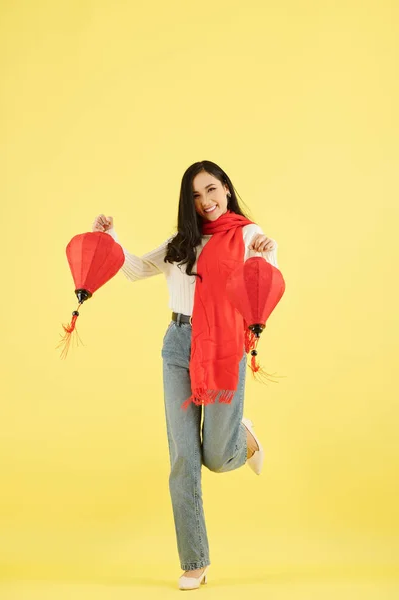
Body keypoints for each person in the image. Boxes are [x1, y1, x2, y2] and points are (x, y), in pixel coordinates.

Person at [92, 160, 279, 590]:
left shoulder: (249, 235)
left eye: (212, 190)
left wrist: (266, 255)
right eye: (196, 196)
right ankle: (194, 560)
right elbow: (137, 268)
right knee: (182, 456)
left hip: (223, 345)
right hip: (178, 344)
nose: (206, 202)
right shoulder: (181, 242)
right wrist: (109, 238)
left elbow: (265, 284)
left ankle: (243, 440)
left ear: (227, 190)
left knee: (216, 455)